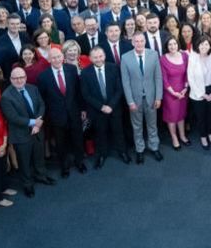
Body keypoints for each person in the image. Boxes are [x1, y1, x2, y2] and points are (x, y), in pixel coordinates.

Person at [0, 68, 54, 197]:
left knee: (39, 155)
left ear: (25, 77)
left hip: (37, 130)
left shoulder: (33, 88)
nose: (19, 80)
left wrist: (39, 121)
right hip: (21, 134)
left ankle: (41, 175)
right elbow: (13, 117)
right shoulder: (6, 96)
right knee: (24, 162)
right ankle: (27, 185)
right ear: (11, 80)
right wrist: (33, 123)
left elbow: (41, 105)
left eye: (21, 77)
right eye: (15, 78)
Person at [81, 46, 128, 168]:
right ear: (90, 58)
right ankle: (102, 155)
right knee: (100, 133)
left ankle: (122, 152)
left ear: (105, 56)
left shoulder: (113, 68)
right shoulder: (85, 73)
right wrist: (101, 107)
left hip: (114, 107)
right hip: (97, 110)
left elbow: (119, 89)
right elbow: (86, 94)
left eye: (100, 56)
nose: (98, 59)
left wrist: (111, 106)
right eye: (95, 57)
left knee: (118, 131)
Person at [121, 32, 164, 163]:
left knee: (152, 124)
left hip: (151, 98)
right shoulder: (125, 57)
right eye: (136, 41)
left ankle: (154, 147)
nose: (139, 43)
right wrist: (130, 101)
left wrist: (158, 97)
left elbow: (158, 77)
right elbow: (125, 82)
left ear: (145, 41)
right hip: (135, 100)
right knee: (137, 126)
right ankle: (139, 150)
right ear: (132, 42)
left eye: (141, 41)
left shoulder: (153, 54)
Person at [187, 36, 211, 151]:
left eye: (206, 44)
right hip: (198, 92)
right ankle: (203, 136)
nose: (204, 46)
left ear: (210, 45)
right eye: (201, 44)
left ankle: (210, 134)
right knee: (201, 116)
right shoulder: (193, 57)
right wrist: (202, 94)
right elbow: (190, 78)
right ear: (197, 45)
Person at [160, 37, 190, 149]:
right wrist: (173, 92)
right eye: (170, 45)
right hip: (170, 93)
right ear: (166, 47)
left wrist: (185, 88)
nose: (172, 46)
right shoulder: (163, 59)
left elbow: (187, 72)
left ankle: (182, 135)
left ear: (178, 44)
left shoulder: (184, 56)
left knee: (181, 114)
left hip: (183, 90)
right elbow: (164, 79)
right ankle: (174, 137)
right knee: (172, 116)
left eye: (174, 44)